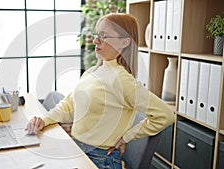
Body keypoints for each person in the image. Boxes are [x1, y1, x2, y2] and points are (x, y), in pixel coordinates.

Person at [26, 13, 175, 169]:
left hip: (101, 159)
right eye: (97, 35)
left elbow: (165, 114)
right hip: (78, 149)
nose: (96, 40)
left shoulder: (123, 81)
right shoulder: (92, 72)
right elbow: (70, 104)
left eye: (104, 36)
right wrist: (45, 120)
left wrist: (127, 137)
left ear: (125, 42)